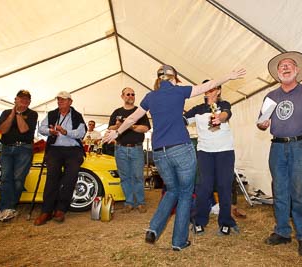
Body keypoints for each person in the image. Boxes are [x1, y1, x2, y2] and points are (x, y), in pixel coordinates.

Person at [103, 65, 246, 251]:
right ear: (174, 78)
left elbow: (131, 119)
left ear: (159, 79)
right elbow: (207, 85)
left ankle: (154, 228)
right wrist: (229, 75)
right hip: (180, 149)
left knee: (172, 191)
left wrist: (116, 134)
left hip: (159, 152)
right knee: (185, 193)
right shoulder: (180, 91)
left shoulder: (150, 97)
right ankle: (178, 241)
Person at [256, 51, 302, 256]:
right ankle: (282, 232)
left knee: (299, 193)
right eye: (282, 66)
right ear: (277, 73)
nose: (286, 68)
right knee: (280, 191)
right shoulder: (270, 96)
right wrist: (263, 124)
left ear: (297, 70)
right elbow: (262, 123)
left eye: (290, 65)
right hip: (277, 148)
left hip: (301, 146)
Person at [183, 80, 238, 235]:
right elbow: (183, 121)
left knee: (224, 186)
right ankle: (199, 220)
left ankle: (226, 222)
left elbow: (226, 113)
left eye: (212, 87)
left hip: (225, 151)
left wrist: (220, 118)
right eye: (206, 88)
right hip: (204, 152)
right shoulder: (197, 109)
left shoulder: (225, 104)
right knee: (204, 187)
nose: (208, 90)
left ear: (218, 91)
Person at [34, 91, 87, 226]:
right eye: (58, 100)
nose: (60, 102)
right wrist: (50, 131)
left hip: (73, 150)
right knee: (52, 177)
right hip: (55, 149)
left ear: (70, 102)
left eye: (63, 100)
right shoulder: (52, 114)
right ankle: (46, 211)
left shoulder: (77, 116)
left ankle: (61, 209)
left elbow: (81, 133)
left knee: (70, 178)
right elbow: (41, 128)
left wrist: (66, 132)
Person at [0, 90, 38, 222]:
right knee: (5, 178)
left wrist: (19, 113)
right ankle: (6, 209)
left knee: (18, 179)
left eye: (27, 100)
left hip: (24, 149)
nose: (24, 102)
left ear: (30, 102)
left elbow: (23, 129)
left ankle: (11, 206)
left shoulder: (32, 114)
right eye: (21, 99)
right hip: (7, 148)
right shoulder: (6, 113)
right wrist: (13, 112)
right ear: (15, 99)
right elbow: (2, 130)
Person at [108, 87, 151, 213]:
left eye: (133, 94)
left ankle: (141, 202)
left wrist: (129, 125)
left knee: (138, 176)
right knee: (125, 177)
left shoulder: (140, 111)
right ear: (122, 96)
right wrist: (117, 126)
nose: (131, 96)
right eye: (128, 94)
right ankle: (129, 202)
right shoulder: (116, 112)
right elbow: (110, 128)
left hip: (136, 149)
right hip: (120, 149)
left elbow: (145, 128)